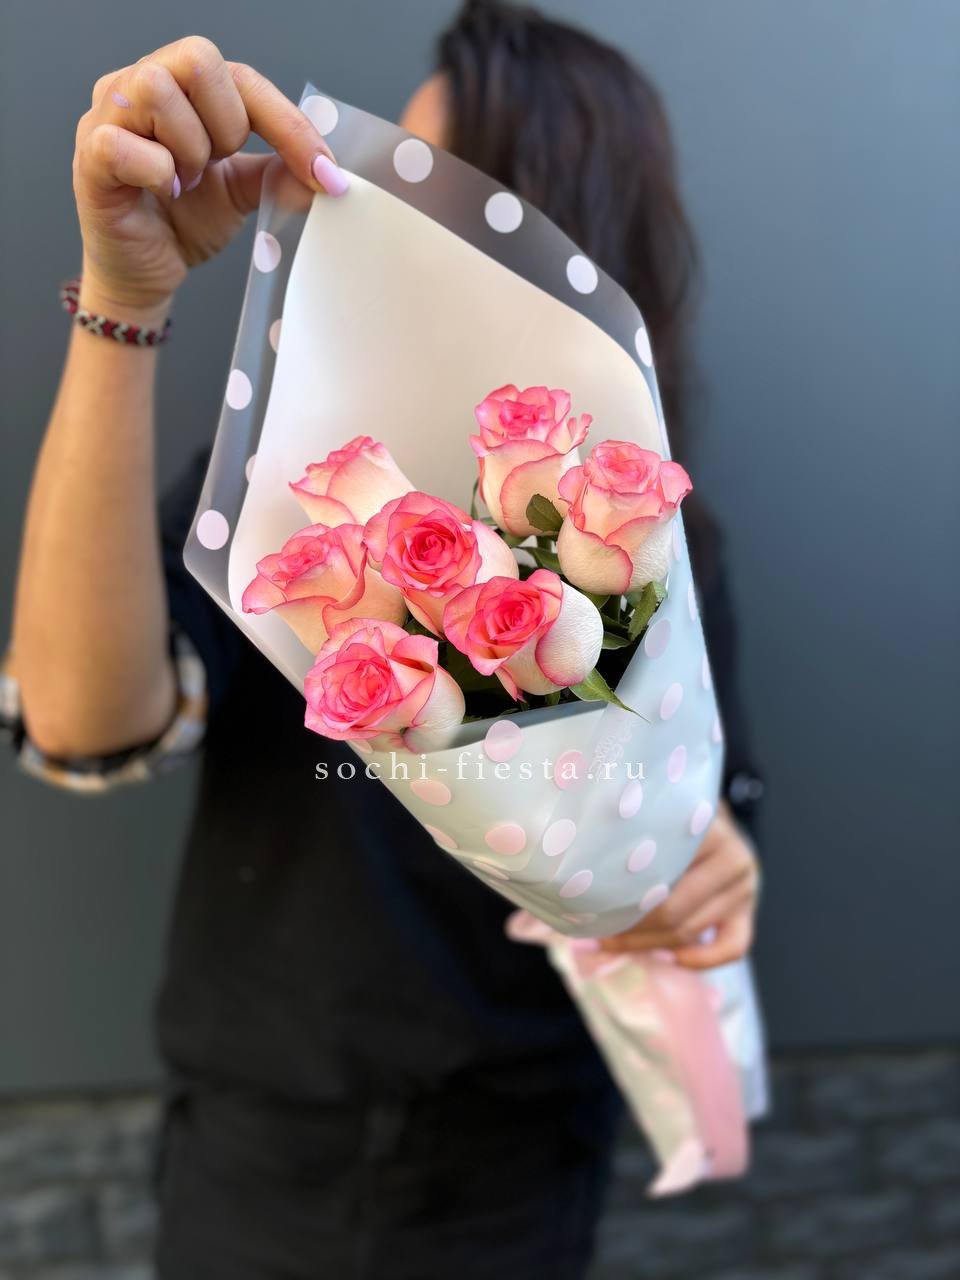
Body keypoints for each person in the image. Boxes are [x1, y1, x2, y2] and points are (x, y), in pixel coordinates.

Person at [5, 3, 762, 1276]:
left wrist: (694, 851)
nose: (380, 214)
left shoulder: (666, 547)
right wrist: (125, 299)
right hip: (263, 1154)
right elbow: (87, 724)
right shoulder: (288, 498)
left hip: (519, 1165)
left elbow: (704, 839)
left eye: (438, 185)